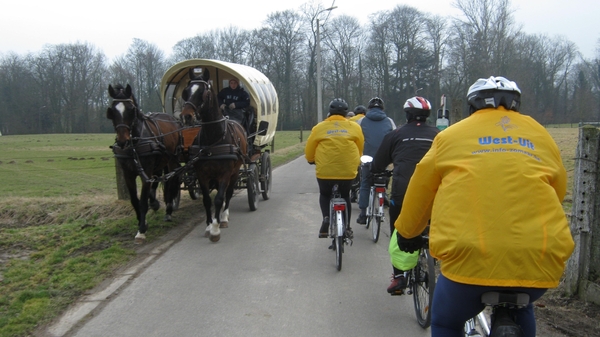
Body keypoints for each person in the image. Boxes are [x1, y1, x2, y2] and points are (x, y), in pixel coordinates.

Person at [394, 76, 575, 336]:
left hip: (468, 261)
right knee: (522, 303)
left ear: (472, 106)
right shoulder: (541, 135)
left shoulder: (451, 136)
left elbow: (421, 188)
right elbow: (557, 191)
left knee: (445, 321)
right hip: (538, 255)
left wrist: (408, 232)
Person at [370, 96, 439, 294]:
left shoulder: (395, 135)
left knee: (399, 228)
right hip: (434, 193)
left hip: (404, 192)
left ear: (407, 114)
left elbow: (378, 164)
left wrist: (376, 171)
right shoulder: (439, 135)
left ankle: (399, 277)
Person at [305, 98, 364, 243]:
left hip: (325, 171)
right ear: (345, 113)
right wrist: (356, 161)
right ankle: (347, 227)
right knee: (345, 195)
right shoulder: (355, 127)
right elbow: (360, 148)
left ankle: (326, 217)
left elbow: (309, 150)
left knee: (325, 194)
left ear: (329, 112)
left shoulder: (319, 127)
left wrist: (311, 159)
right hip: (348, 171)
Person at [356, 97, 395, 224]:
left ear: (369, 108)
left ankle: (363, 214)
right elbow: (394, 138)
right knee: (384, 176)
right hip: (384, 157)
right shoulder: (389, 121)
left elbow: (357, 139)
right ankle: (384, 196)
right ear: (382, 109)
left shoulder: (362, 121)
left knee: (366, 182)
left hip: (367, 157)